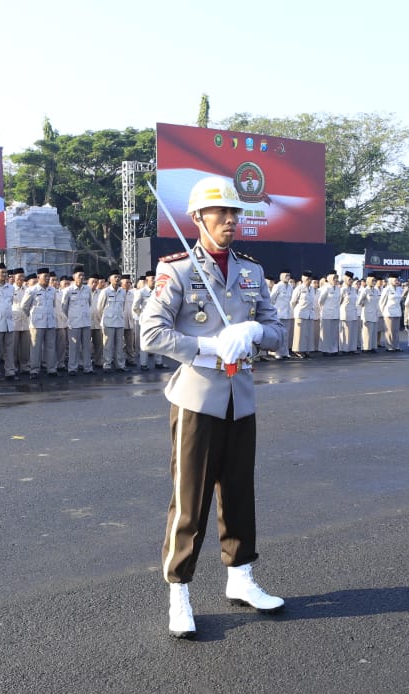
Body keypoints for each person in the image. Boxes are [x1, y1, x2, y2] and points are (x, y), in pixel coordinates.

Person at [139, 176, 287, 640]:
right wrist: (208, 346)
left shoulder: (251, 272)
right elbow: (152, 333)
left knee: (239, 493)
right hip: (197, 400)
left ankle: (241, 576)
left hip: (241, 398)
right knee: (190, 500)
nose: (230, 220)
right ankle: (178, 591)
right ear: (198, 219)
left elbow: (277, 331)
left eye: (235, 213)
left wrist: (256, 334)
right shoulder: (178, 269)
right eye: (220, 212)